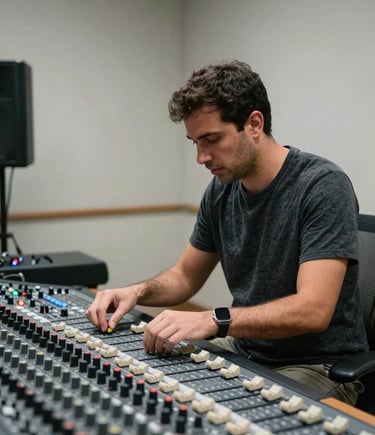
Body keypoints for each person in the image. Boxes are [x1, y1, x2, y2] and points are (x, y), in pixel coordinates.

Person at [86, 60, 368, 405]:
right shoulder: (221, 190)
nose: (202, 157)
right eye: (195, 143)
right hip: (244, 346)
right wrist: (135, 291)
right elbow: (185, 276)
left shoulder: (322, 186)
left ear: (253, 124)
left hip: (315, 366)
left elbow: (313, 309)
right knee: (144, 382)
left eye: (212, 139)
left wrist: (213, 320)